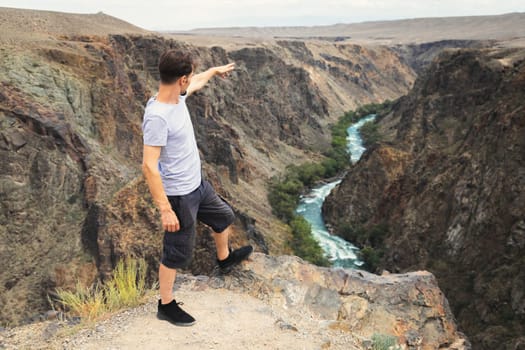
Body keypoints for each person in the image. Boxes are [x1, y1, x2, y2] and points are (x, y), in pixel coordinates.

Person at [142, 50, 253, 327]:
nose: (191, 80)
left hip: (197, 185)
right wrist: (165, 209)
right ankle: (165, 305)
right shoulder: (157, 116)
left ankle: (224, 259)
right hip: (178, 196)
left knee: (223, 217)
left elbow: (199, 81)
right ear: (181, 79)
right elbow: (148, 166)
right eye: (188, 77)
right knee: (177, 251)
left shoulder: (177, 95)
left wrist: (214, 71)